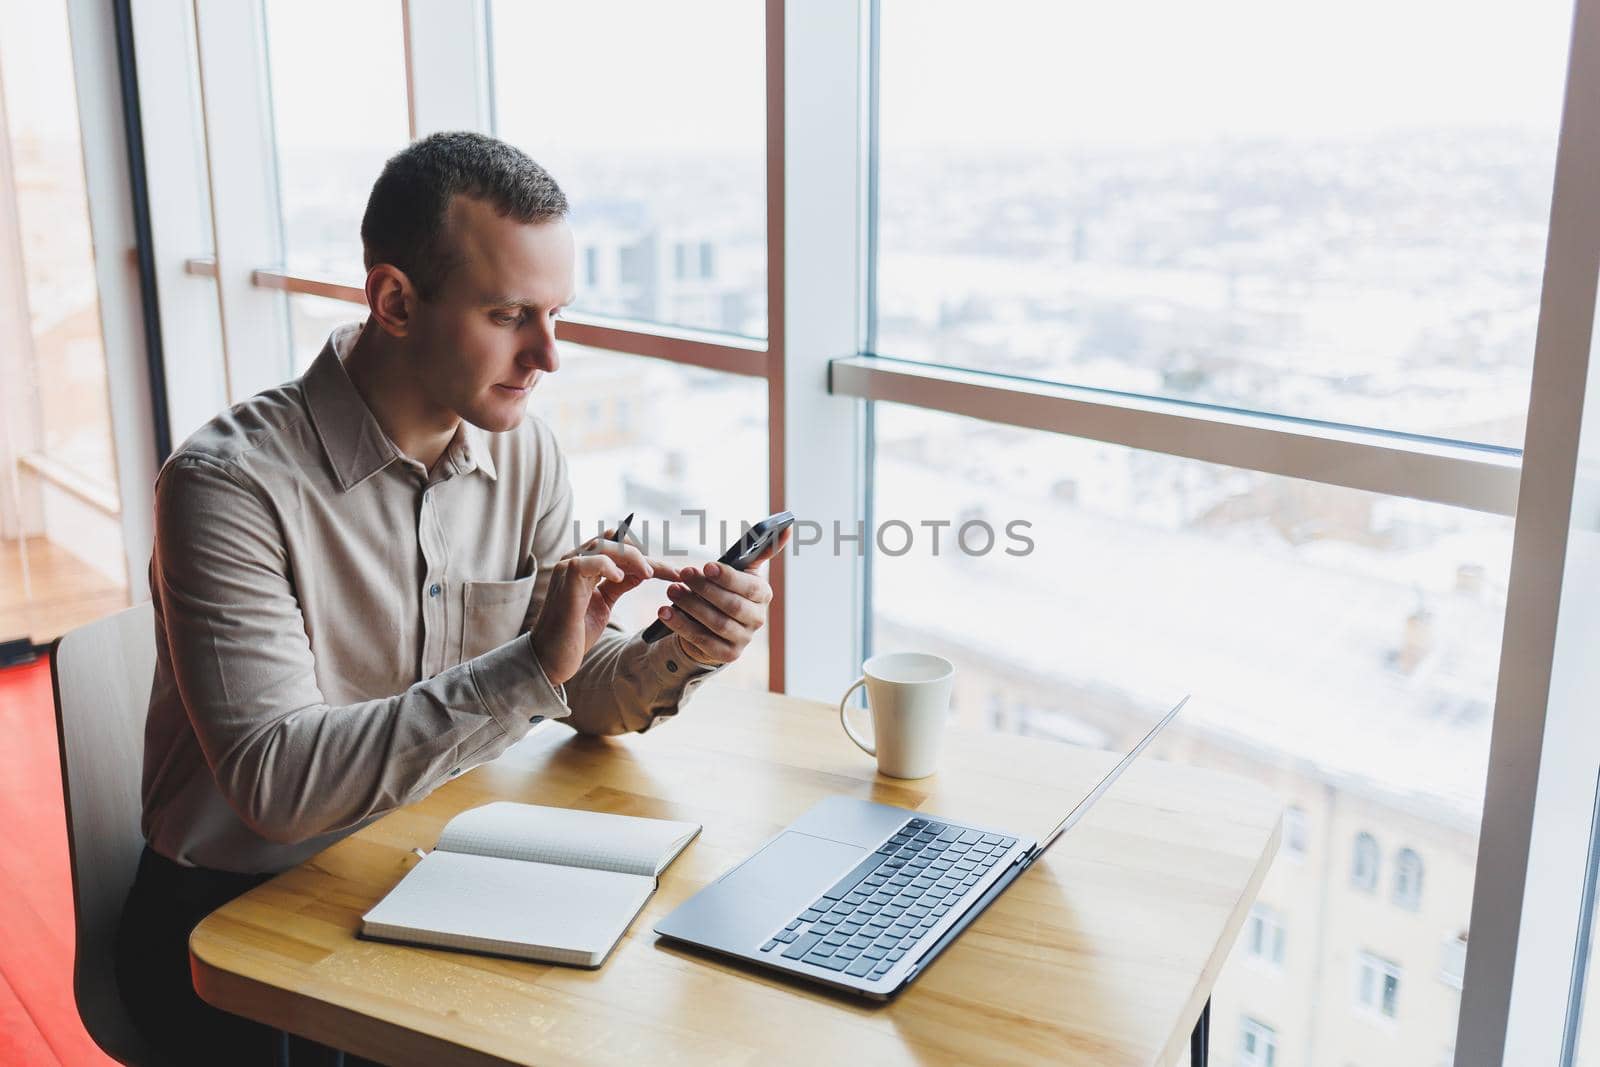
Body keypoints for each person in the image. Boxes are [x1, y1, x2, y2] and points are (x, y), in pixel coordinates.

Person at [114, 131, 786, 1066]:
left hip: (425, 861)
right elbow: (276, 783)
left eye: (558, 314)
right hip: (237, 922)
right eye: (511, 313)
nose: (548, 354)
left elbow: (570, 683)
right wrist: (531, 664)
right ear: (394, 300)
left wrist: (682, 647)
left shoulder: (523, 448)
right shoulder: (227, 486)